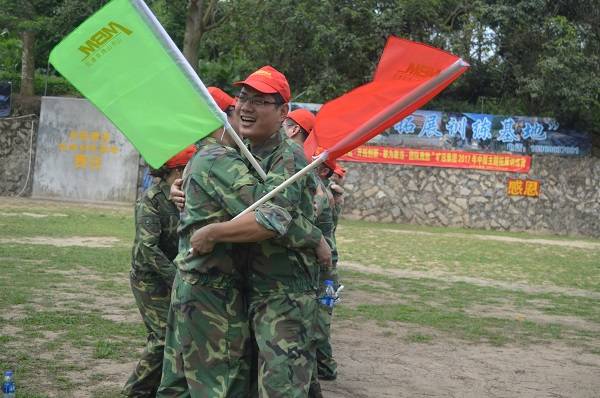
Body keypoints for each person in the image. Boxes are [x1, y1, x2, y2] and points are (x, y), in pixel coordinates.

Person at [191, 66, 329, 397]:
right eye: (242, 97)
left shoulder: (288, 156)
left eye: (260, 101)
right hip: (253, 288)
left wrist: (213, 233)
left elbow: (271, 220)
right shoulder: (248, 151)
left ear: (283, 112)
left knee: (281, 388)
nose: (246, 107)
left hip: (284, 294)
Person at [122, 145, 196, 397]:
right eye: (189, 169)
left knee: (172, 335)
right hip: (149, 277)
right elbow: (148, 248)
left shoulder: (188, 198)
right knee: (163, 336)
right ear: (176, 172)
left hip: (174, 274)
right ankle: (136, 391)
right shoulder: (151, 200)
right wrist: (176, 277)